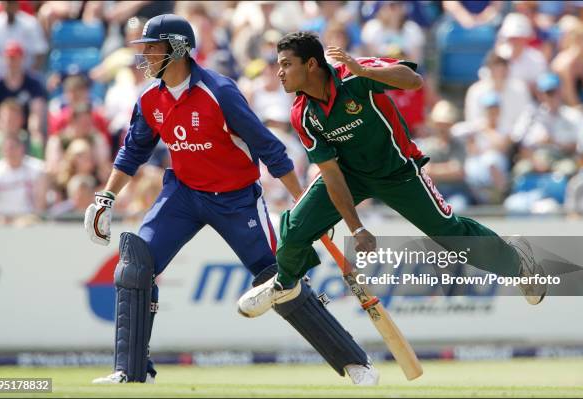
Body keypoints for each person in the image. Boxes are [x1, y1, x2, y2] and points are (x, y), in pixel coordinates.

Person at [84, 15, 379, 386]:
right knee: (135, 264)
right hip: (183, 194)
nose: (144, 55)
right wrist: (106, 196)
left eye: (153, 47)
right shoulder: (149, 99)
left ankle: (355, 362)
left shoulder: (219, 92)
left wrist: (305, 206)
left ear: (177, 49)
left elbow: (269, 149)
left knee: (278, 279)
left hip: (236, 198)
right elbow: (132, 152)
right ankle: (130, 370)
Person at [237, 32, 549, 320]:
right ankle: (286, 283)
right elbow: (331, 174)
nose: (279, 72)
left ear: (311, 64)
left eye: (286, 65)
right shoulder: (302, 113)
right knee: (294, 226)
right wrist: (356, 228)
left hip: (398, 172)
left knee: (448, 233)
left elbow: (413, 81)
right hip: (350, 175)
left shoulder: (354, 75)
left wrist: (365, 72)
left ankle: (517, 264)